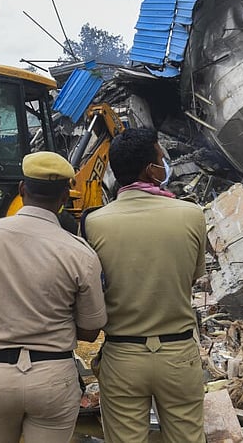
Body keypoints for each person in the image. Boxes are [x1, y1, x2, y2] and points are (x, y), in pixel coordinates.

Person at [0, 151, 107, 443]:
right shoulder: (80, 252)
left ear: (22, 189)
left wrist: (4, 320)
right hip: (53, 377)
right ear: (64, 197)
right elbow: (91, 330)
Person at [83, 127, 206, 443]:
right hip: (178, 353)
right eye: (161, 157)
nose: (165, 163)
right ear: (152, 170)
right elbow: (191, 278)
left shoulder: (94, 223)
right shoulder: (192, 214)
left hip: (123, 355)